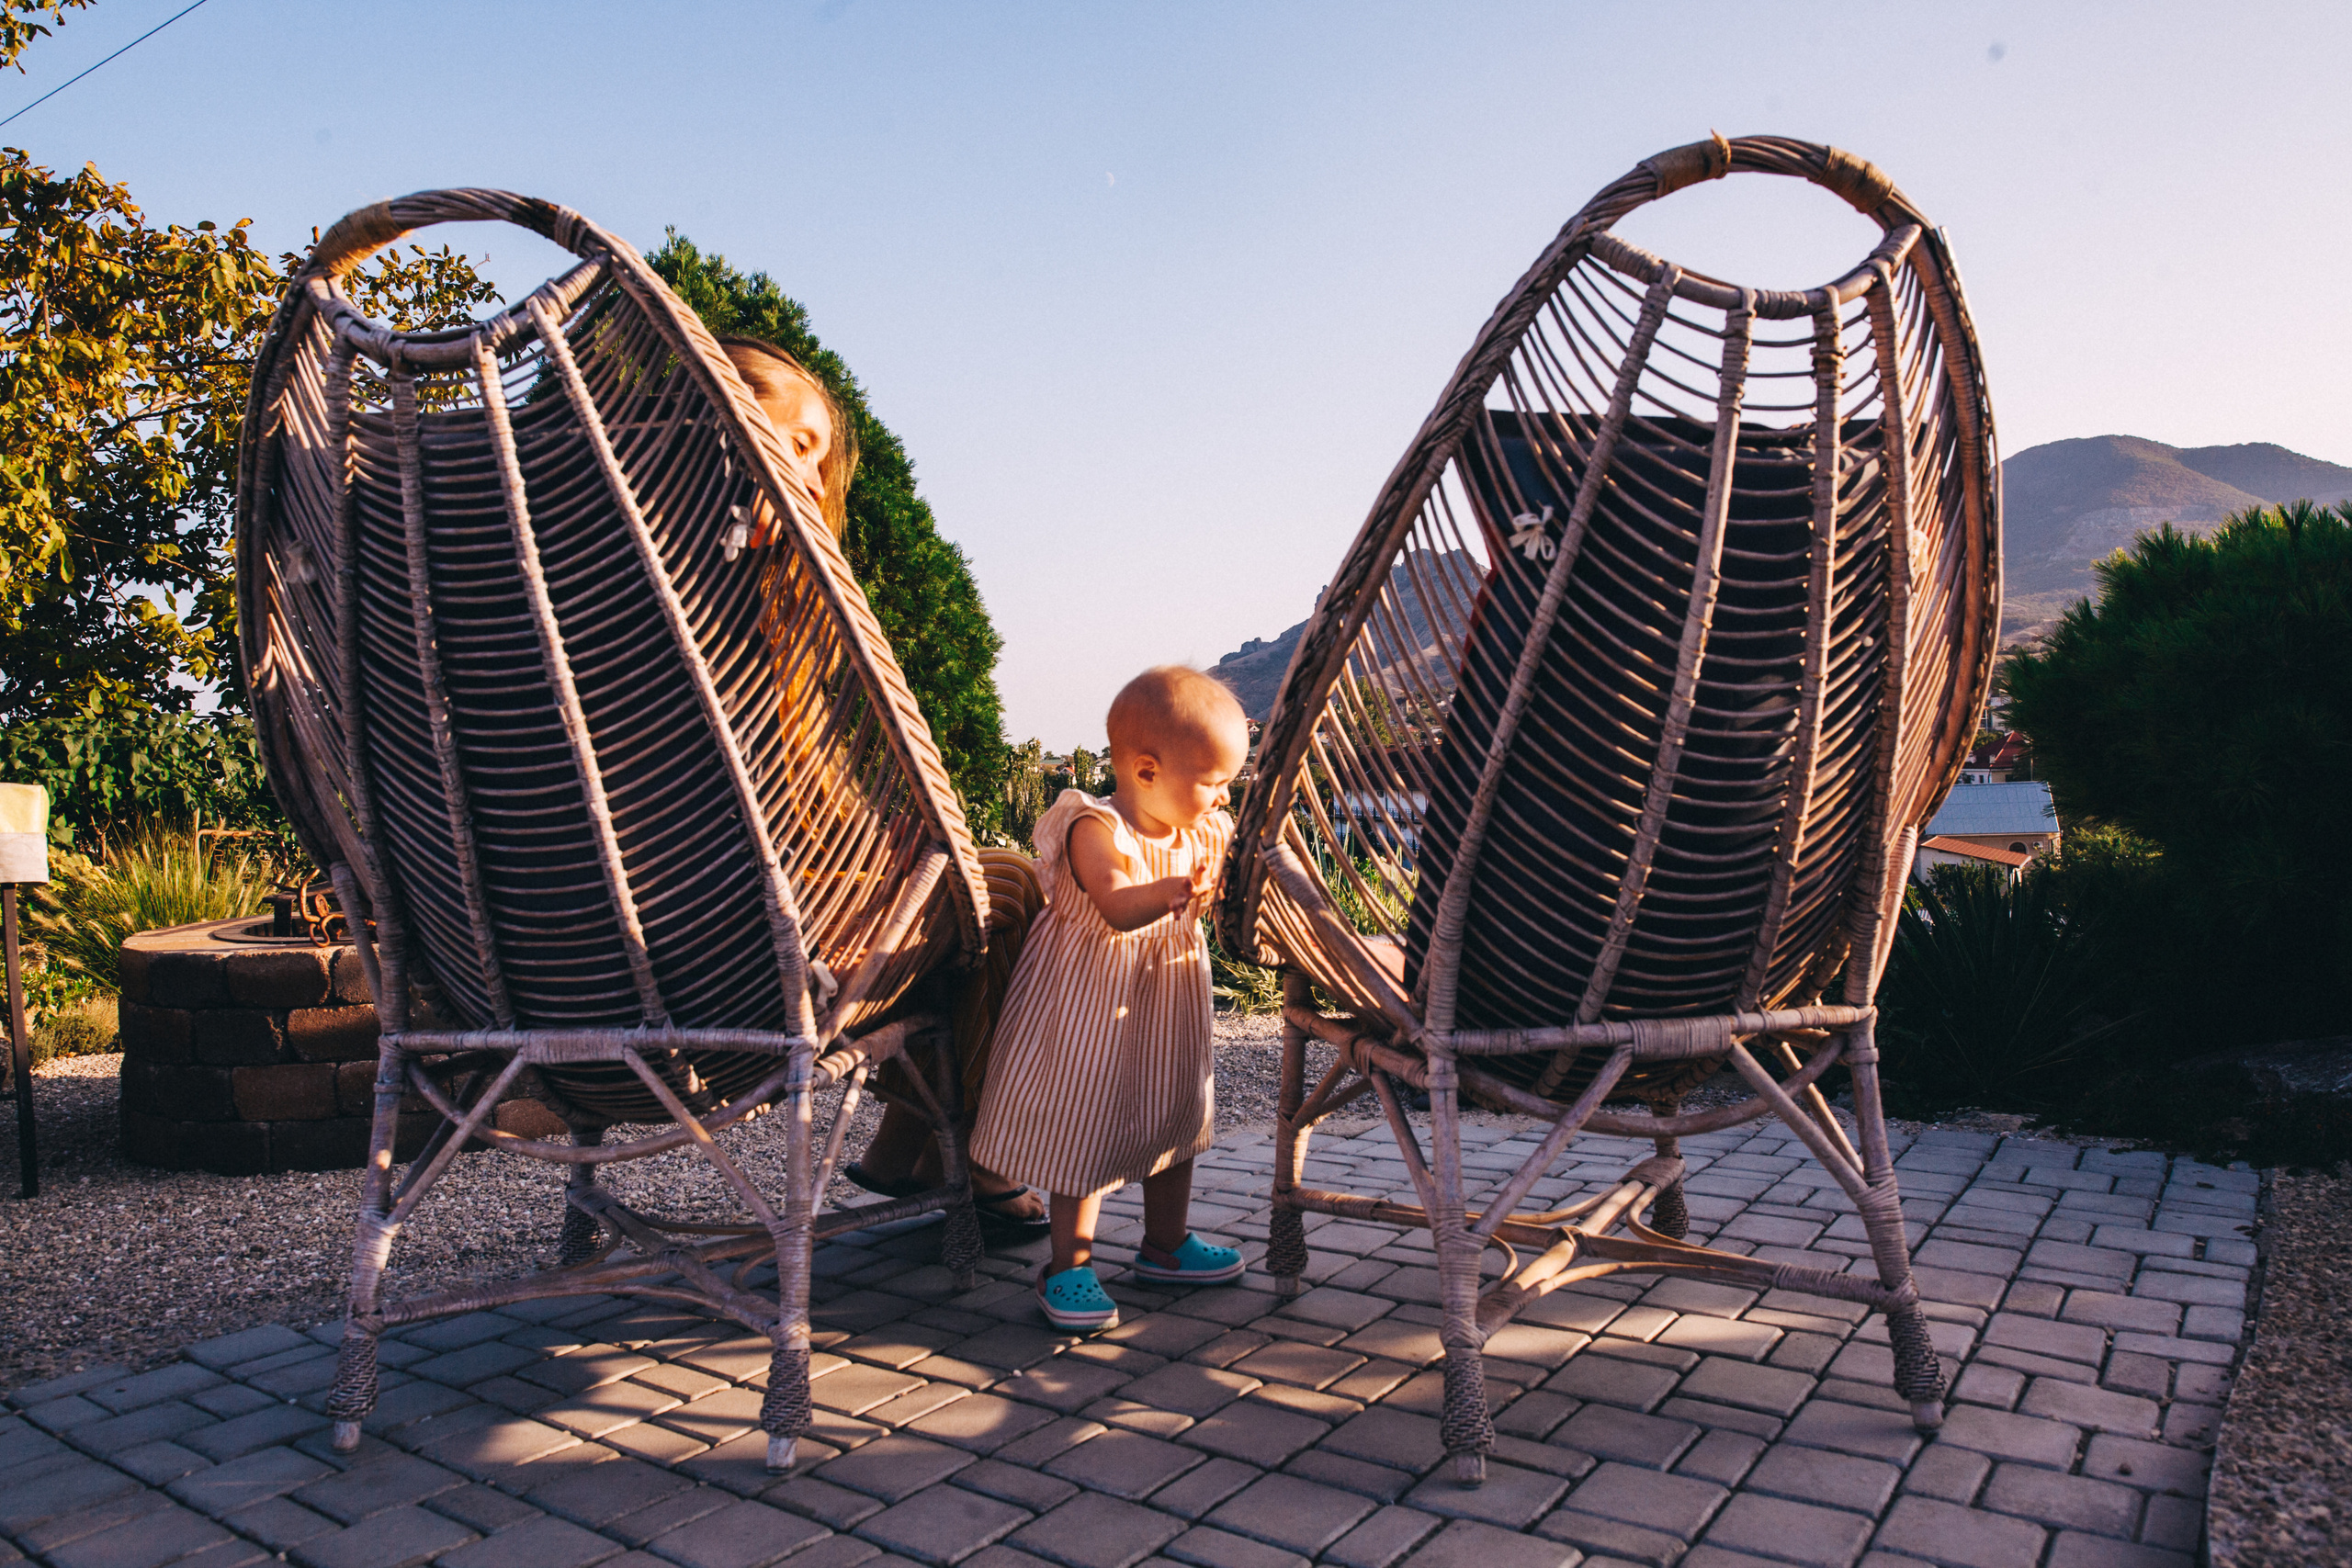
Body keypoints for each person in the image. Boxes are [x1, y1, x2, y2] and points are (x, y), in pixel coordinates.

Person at [721, 335, 1049, 1229]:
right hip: (718, 946)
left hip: (550, 949)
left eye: (817, 458)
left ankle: (909, 1144)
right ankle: (967, 1156)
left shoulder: (566, 574)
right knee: (1005, 886)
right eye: (793, 439)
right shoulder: (717, 610)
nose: (807, 471)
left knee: (962, 886)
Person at [970, 665, 1251, 1330]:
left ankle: (1166, 1244)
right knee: (1085, 1120)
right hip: (1087, 1004)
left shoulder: (1201, 831)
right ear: (1147, 771)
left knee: (1175, 1110)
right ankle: (1068, 1265)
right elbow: (1119, 904)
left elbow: (1232, 879)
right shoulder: (1094, 827)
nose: (1223, 796)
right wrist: (1175, 890)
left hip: (1168, 1001)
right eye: (1213, 782)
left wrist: (1228, 884)